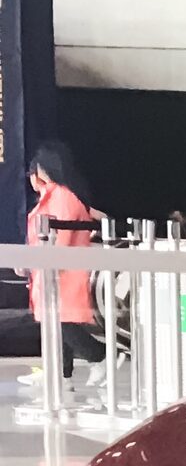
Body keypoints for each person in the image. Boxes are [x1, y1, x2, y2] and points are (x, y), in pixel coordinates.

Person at [24, 142, 103, 378]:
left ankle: (99, 356)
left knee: (62, 323)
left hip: (63, 273)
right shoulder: (52, 197)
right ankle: (59, 372)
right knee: (54, 324)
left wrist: (51, 265)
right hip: (51, 272)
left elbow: (63, 236)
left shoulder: (62, 197)